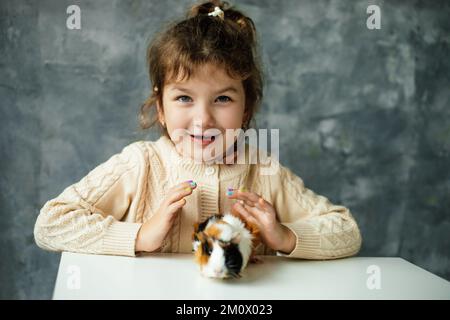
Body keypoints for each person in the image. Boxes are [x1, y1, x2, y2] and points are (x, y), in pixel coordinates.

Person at [34, 0, 362, 259]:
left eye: (222, 98)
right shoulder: (140, 166)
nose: (202, 119)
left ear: (246, 108)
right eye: (184, 98)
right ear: (160, 108)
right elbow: (51, 224)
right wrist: (140, 235)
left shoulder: (263, 172)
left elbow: (347, 231)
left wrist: (285, 236)